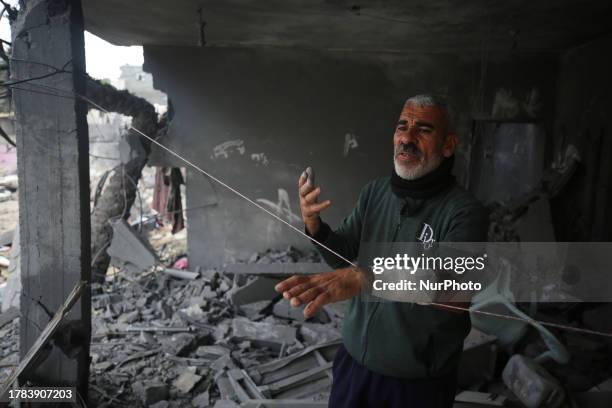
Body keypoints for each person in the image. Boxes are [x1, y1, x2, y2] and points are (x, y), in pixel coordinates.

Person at [274, 94, 488, 408]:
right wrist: (313, 223)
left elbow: (454, 290)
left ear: (448, 145)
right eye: (402, 127)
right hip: (353, 366)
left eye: (423, 130)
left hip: (414, 386)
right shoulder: (376, 192)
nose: (407, 138)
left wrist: (365, 279)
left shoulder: (465, 212)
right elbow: (343, 255)